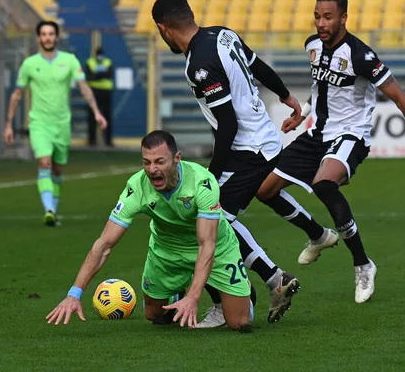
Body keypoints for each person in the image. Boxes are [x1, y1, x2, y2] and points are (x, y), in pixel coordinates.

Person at [256, 0, 405, 303]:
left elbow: (398, 96)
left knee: (324, 184)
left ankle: (363, 264)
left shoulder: (360, 55)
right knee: (264, 190)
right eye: (317, 16)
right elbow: (320, 90)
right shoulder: (312, 46)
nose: (321, 23)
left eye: (328, 17)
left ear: (344, 18)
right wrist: (300, 113)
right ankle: (317, 234)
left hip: (350, 136)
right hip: (317, 135)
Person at [152, 0, 303, 327]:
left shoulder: (197, 65)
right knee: (217, 219)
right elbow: (258, 66)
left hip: (248, 151)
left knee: (204, 217)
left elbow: (229, 124)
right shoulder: (223, 34)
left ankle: (238, 297)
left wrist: (210, 176)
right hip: (262, 144)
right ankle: (268, 281)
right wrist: (287, 97)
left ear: (163, 29)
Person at [46, 130, 252, 331]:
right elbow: (105, 243)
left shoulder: (202, 182)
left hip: (216, 248)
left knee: (240, 322)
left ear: (176, 158)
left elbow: (207, 244)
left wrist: (194, 298)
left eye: (159, 162)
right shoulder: (137, 187)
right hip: (167, 248)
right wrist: (74, 293)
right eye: (146, 162)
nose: (152, 169)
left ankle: (238, 294)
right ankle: (177, 292)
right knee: (153, 315)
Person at [3, 20, 108, 226]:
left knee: (58, 169)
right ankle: (49, 209)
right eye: (44, 34)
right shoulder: (29, 64)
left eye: (51, 34)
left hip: (62, 124)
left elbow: (84, 87)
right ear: (38, 38)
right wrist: (9, 123)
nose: (48, 37)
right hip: (39, 123)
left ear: (56, 37)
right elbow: (17, 94)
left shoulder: (69, 61)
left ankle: (53, 207)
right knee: (45, 163)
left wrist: (97, 112)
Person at [84, 47, 114, 147]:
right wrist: (101, 75)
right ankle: (92, 141)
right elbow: (89, 77)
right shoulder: (89, 62)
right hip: (93, 92)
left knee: (107, 117)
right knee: (91, 117)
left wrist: (96, 75)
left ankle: (108, 141)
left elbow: (109, 74)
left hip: (106, 92)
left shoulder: (108, 62)